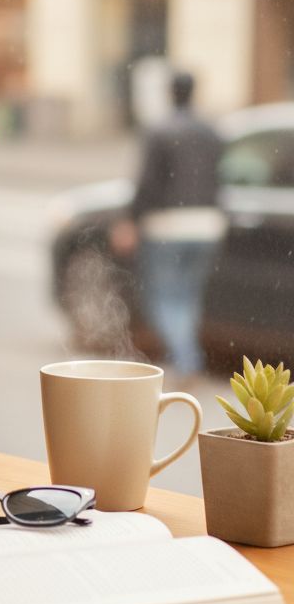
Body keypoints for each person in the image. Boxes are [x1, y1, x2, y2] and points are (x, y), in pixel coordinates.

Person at [111, 70, 225, 383]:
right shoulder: (212, 131)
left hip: (167, 226)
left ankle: (187, 359)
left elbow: (147, 184)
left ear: (170, 93)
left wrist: (130, 220)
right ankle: (184, 354)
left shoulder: (159, 131)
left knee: (163, 297)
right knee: (189, 294)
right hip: (208, 225)